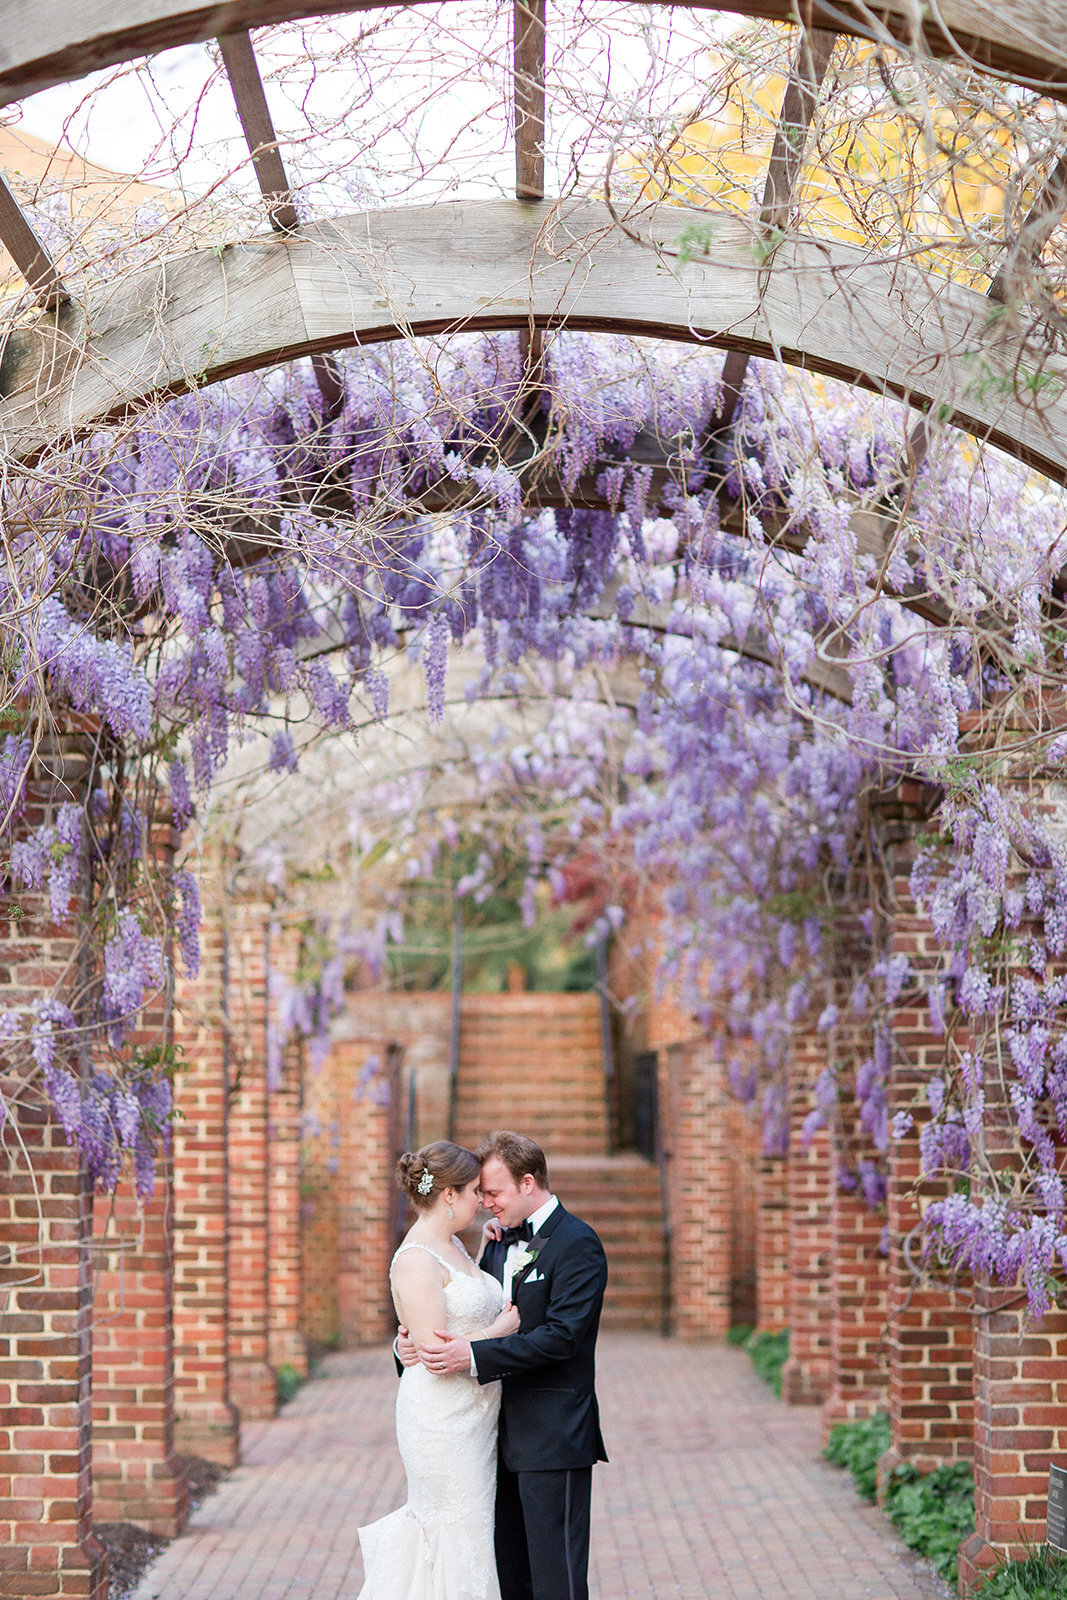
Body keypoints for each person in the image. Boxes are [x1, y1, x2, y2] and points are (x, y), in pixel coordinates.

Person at [403, 1130, 609, 1600]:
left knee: (556, 1579)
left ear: (528, 1182)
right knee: (505, 1577)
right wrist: (411, 1344)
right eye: (480, 1193)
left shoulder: (577, 1243)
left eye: (492, 1192)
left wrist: (473, 1354)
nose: (486, 1203)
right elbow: (461, 1314)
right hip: (483, 1437)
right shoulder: (492, 1243)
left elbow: (562, 1338)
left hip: (551, 1435)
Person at [357, 1139, 521, 1600]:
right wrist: (500, 1332)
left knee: (471, 1533)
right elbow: (433, 1351)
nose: (482, 1201)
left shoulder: (451, 1245)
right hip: (442, 1422)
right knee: (455, 1531)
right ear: (448, 1195)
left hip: (475, 1418)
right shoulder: (416, 1258)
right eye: (474, 1191)